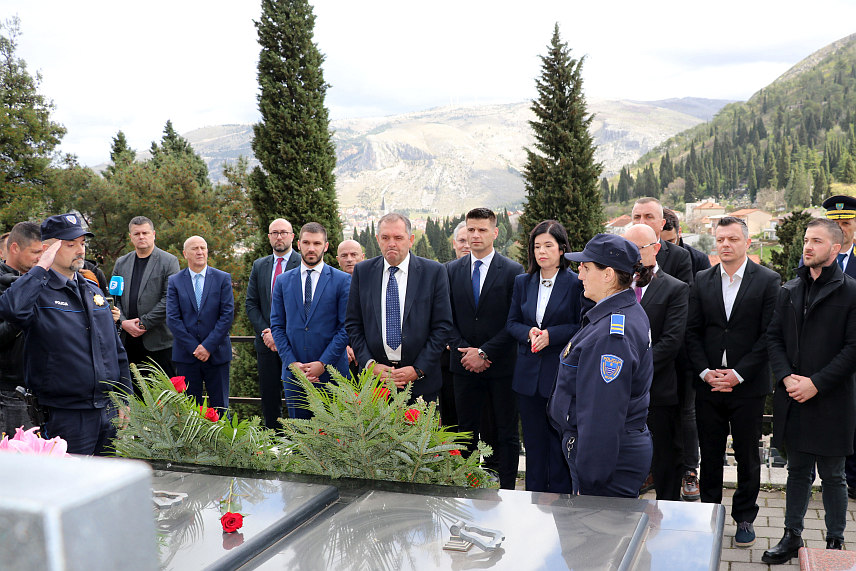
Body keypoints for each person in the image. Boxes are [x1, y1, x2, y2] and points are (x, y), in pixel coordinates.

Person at [762, 219, 856, 563]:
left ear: (835, 248)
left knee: (833, 475)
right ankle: (792, 537)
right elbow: (773, 338)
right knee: (797, 471)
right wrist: (787, 378)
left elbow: (852, 349)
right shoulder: (789, 290)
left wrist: (816, 383)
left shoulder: (851, 292)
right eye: (805, 240)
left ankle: (834, 544)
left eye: (816, 241)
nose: (807, 246)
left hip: (832, 400)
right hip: (794, 398)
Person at [685, 216, 781, 548]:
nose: (726, 245)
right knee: (709, 454)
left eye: (733, 239)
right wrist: (704, 372)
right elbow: (692, 331)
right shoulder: (701, 279)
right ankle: (710, 515)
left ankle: (744, 518)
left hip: (748, 387)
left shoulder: (769, 281)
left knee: (746, 455)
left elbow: (769, 335)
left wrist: (737, 375)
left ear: (747, 242)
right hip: (708, 384)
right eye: (721, 239)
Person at [0, 214, 131, 455]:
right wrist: (41, 268)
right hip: (65, 413)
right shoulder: (37, 291)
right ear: (48, 249)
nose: (80, 250)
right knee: (69, 488)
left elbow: (114, 348)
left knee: (104, 486)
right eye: (70, 244)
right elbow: (12, 309)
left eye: (82, 243)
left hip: (106, 410)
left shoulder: (92, 290)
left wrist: (124, 396)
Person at [547, 233, 654, 498]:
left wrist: (591, 477)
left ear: (608, 275)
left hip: (606, 462)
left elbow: (602, 414)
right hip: (615, 452)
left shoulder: (611, 334)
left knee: (596, 535)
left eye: (585, 267)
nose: (579, 274)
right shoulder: (620, 312)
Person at [447, 208, 523, 490]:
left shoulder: (514, 272)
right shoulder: (450, 270)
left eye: (481, 230)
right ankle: (465, 488)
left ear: (495, 232)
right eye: (470, 229)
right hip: (462, 367)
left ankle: (507, 490)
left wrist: (485, 352)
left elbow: (514, 320)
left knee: (505, 432)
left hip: (501, 366)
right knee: (464, 432)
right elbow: (446, 319)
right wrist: (465, 352)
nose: (474, 235)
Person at [506, 220, 581, 493]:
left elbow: (581, 325)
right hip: (527, 378)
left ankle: (561, 500)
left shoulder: (575, 283)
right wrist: (530, 332)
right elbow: (511, 322)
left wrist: (552, 334)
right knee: (534, 444)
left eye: (548, 245)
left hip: (559, 376)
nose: (542, 252)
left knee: (559, 441)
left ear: (562, 249)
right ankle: (534, 498)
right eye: (537, 246)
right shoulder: (522, 282)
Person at [345, 213, 453, 402]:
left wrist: (418, 369)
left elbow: (442, 326)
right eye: (385, 238)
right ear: (378, 239)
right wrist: (370, 365)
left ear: (410, 240)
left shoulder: (433, 272)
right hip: (375, 383)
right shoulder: (363, 272)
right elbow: (354, 324)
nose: (391, 243)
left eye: (398, 238)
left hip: (421, 382)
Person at [624, 223, 689, 500]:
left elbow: (671, 342)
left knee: (664, 462)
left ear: (657, 249)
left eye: (639, 248)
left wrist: (633, 370)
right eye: (628, 249)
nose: (634, 255)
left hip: (658, 391)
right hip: (621, 392)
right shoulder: (616, 286)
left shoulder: (675, 289)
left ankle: (669, 518)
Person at [270, 222, 351, 419]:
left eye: (316, 243)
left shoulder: (342, 281)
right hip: (295, 375)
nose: (311, 248)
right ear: (298, 244)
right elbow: (277, 326)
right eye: (306, 242)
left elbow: (346, 328)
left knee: (336, 440)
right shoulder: (282, 281)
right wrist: (291, 363)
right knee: (300, 441)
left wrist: (323, 363)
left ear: (326, 246)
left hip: (332, 375)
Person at [661, 208, 711, 500]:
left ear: (677, 234)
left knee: (687, 412)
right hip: (659, 350)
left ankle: (690, 471)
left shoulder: (696, 259)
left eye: (670, 241)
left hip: (685, 349)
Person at [166, 236, 234, 411]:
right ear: (185, 253)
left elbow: (227, 315)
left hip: (217, 355)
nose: (200, 252)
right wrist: (194, 348)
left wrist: (208, 347)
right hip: (186, 357)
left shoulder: (222, 278)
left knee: (220, 409)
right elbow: (172, 318)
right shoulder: (175, 281)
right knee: (189, 411)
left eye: (203, 248)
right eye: (195, 248)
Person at [246, 219, 300, 429]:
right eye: (274, 233)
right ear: (268, 237)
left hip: (295, 344)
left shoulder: (302, 263)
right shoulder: (260, 266)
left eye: (284, 232)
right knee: (269, 398)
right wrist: (266, 333)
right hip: (266, 344)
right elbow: (251, 303)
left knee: (298, 397)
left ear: (292, 236)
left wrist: (280, 335)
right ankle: (273, 445)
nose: (279, 237)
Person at [112, 216, 180, 378]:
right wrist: (123, 321)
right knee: (131, 397)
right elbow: (114, 297)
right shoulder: (121, 263)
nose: (141, 237)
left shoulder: (169, 261)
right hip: (127, 343)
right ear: (130, 237)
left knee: (162, 400)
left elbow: (170, 299)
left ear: (154, 234)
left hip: (159, 343)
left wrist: (143, 324)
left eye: (145, 233)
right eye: (136, 234)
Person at [822, 195, 856, 498]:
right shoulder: (815, 257)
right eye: (835, 223)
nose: (841, 230)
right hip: (823, 354)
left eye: (846, 223)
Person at [0, 222, 43, 435]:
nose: (40, 258)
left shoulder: (42, 281)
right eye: (35, 252)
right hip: (9, 392)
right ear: (15, 248)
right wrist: (19, 317)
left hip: (42, 389)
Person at [439, 221, 470, 427]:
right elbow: (439, 314)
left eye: (470, 240)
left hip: (483, 357)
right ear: (454, 244)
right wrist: (453, 341)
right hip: (448, 359)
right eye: (462, 240)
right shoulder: (441, 273)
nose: (467, 245)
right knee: (451, 423)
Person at [631, 197, 693, 284]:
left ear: (662, 224)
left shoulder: (679, 256)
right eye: (637, 217)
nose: (642, 222)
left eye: (648, 217)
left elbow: (683, 294)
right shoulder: (620, 253)